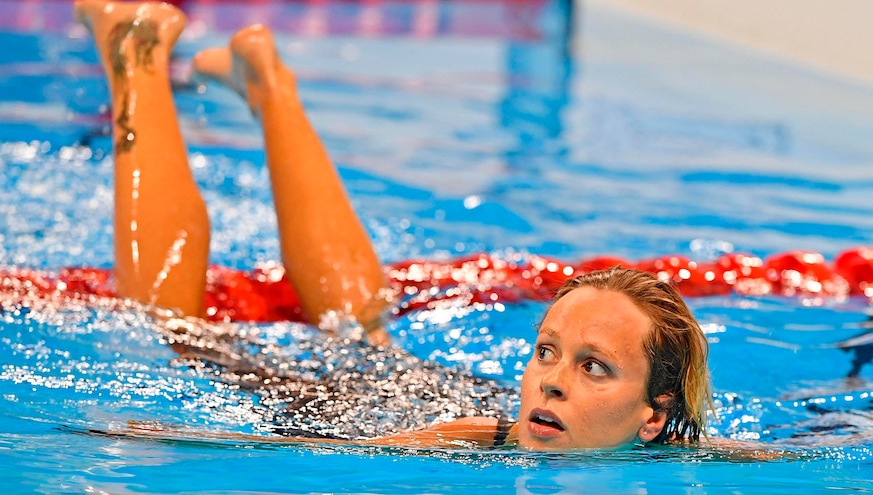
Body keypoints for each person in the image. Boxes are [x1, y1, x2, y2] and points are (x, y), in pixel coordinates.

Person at [74, 0, 712, 450]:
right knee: (175, 329)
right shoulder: (480, 441)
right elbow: (319, 450)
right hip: (341, 406)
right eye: (546, 351)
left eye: (593, 366)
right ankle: (136, 56)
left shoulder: (677, 450)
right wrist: (179, 438)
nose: (550, 380)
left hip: (404, 382)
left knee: (363, 327)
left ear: (654, 418)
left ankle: (271, 84)